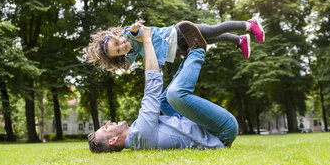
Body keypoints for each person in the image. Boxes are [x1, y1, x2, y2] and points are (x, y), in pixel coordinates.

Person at [87, 22, 239, 153]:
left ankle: (188, 56)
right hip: (222, 131)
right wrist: (146, 40)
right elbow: (152, 87)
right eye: (105, 128)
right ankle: (197, 51)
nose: (107, 123)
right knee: (175, 95)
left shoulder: (137, 136)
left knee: (163, 101)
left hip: (204, 128)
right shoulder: (141, 133)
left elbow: (152, 93)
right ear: (113, 140)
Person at [85, 17, 265, 72]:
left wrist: (132, 29)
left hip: (178, 32)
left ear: (118, 35)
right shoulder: (130, 54)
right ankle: (239, 40)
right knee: (209, 40)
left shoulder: (129, 33)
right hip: (177, 46)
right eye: (117, 51)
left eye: (118, 43)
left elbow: (137, 32)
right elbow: (130, 63)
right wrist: (114, 66)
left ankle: (249, 24)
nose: (122, 46)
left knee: (214, 30)